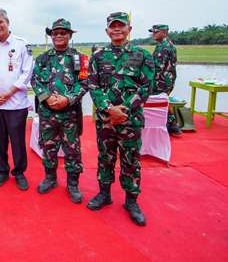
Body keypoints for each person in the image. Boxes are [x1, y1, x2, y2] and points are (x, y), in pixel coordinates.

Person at [87, 12, 154, 226]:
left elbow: (146, 87)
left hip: (130, 120)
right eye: (113, 26)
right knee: (105, 157)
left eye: (121, 26)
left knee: (130, 161)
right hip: (106, 120)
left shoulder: (143, 55)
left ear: (129, 29)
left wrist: (123, 110)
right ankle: (104, 194)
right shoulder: (98, 56)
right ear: (107, 30)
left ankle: (131, 201)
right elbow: (93, 85)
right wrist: (109, 109)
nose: (117, 29)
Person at [31, 18, 88, 203]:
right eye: (55, 33)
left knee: (72, 150)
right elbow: (35, 81)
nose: (59, 36)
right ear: (51, 36)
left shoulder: (80, 59)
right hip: (47, 113)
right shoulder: (42, 59)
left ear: (69, 35)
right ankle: (50, 178)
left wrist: (67, 99)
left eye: (63, 33)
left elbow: (85, 82)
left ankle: (73, 184)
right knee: (48, 147)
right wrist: (47, 97)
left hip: (69, 113)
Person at [0, 8, 33, 191]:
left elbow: (27, 73)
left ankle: (19, 172)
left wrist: (9, 93)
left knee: (17, 141)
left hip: (16, 103)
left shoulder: (21, 44)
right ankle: (2, 171)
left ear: (7, 21)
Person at [149, 24, 181, 136]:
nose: (153, 34)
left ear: (164, 32)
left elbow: (158, 67)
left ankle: (169, 126)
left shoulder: (163, 47)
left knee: (159, 101)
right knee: (164, 100)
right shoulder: (170, 45)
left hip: (161, 79)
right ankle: (173, 126)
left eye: (156, 32)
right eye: (152, 32)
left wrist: (149, 79)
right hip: (168, 78)